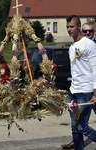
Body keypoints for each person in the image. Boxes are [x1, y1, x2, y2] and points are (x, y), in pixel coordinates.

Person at [61, 15, 96, 150]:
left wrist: (95, 92)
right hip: (73, 91)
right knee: (75, 128)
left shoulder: (89, 45)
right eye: (68, 27)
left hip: (86, 91)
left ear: (79, 26)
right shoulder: (72, 46)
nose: (69, 29)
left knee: (82, 126)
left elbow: (95, 69)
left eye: (72, 26)